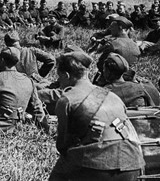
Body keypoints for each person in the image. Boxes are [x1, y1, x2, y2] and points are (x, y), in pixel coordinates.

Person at [48, 52, 145, 181]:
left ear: (66, 75)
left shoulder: (67, 99)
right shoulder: (112, 96)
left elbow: (62, 145)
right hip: (134, 163)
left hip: (98, 166)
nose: (59, 81)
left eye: (59, 76)